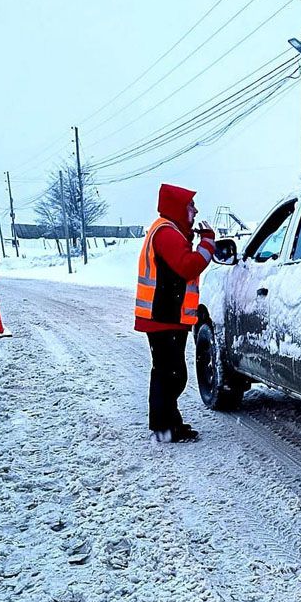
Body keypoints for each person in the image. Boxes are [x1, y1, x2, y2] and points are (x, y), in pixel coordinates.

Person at [134, 184, 216, 443]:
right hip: (163, 317)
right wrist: (208, 243)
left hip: (165, 316)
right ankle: (164, 427)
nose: (195, 210)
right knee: (171, 373)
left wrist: (192, 236)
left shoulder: (169, 231)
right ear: (178, 207)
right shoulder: (166, 233)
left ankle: (167, 423)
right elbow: (187, 267)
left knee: (168, 372)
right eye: (191, 205)